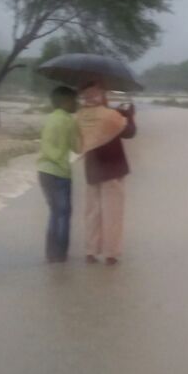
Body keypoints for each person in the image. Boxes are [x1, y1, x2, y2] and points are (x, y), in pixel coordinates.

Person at [76, 84, 137, 266]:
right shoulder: (110, 115)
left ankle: (90, 251)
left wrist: (116, 113)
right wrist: (130, 115)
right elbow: (130, 132)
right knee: (113, 212)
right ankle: (111, 254)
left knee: (92, 212)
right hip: (112, 167)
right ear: (101, 96)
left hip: (92, 167)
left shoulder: (80, 116)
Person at [37, 85, 80, 263]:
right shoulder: (68, 120)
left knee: (54, 212)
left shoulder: (49, 119)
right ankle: (60, 255)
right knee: (63, 214)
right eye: (74, 100)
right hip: (60, 173)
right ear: (66, 102)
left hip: (43, 171)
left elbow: (45, 145)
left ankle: (51, 253)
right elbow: (77, 147)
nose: (77, 104)